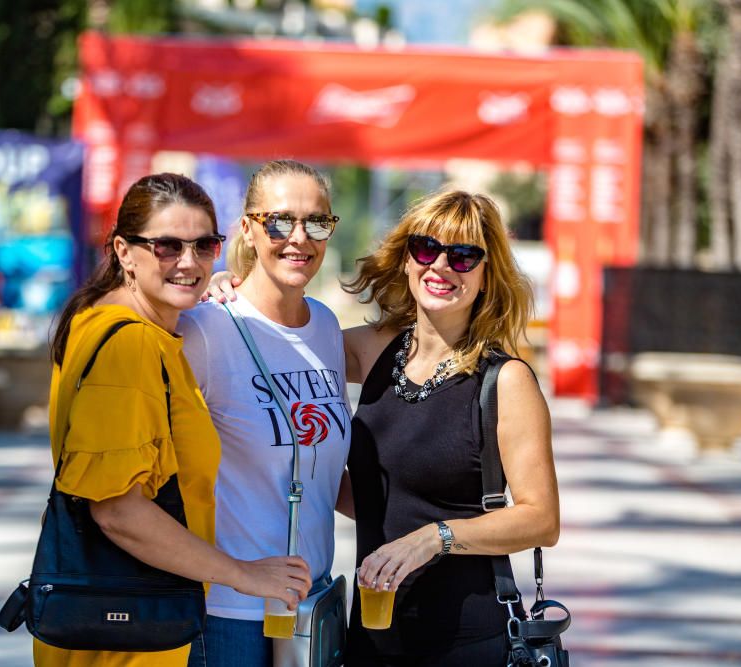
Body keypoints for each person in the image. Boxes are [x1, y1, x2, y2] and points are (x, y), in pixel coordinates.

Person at [34, 173, 311, 667]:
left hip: (127, 625)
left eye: (204, 246)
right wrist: (245, 574)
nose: (188, 262)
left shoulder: (105, 321)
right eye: (166, 246)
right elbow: (119, 511)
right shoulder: (131, 345)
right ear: (124, 251)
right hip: (133, 638)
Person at [342, 190, 560, 665]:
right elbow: (280, 342)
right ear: (405, 260)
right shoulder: (374, 349)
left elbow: (541, 519)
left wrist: (435, 537)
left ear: (486, 276)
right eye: (426, 248)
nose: (441, 266)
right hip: (371, 636)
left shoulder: (505, 380)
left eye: (463, 256)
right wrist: (227, 287)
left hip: (464, 643)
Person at [176, 160, 352, 667]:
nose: (299, 237)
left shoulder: (325, 325)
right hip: (229, 614)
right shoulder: (206, 328)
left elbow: (322, 470)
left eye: (316, 222)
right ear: (249, 229)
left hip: (310, 605)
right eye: (279, 221)